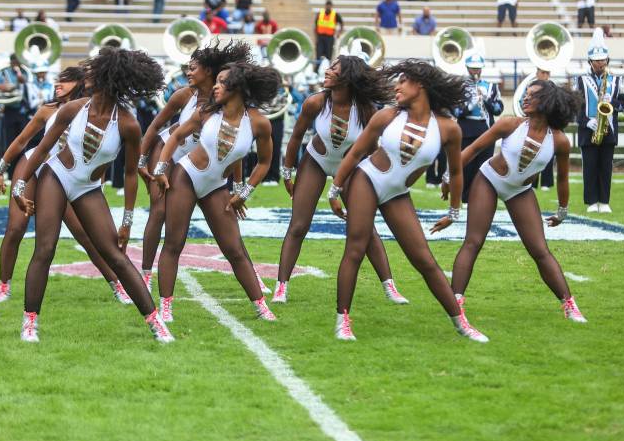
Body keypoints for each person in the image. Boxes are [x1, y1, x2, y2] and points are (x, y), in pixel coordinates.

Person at [11, 48, 173, 343]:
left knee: (116, 256)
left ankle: (156, 323)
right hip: (56, 176)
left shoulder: (127, 123)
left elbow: (127, 175)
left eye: (94, 72)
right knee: (45, 249)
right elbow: (43, 148)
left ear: (108, 79)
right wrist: (20, 186)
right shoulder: (73, 109)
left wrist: (126, 221)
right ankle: (30, 322)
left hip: (88, 187)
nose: (87, 76)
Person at [327, 59, 488, 343]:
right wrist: (335, 189)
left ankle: (461, 323)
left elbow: (456, 172)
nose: (397, 87)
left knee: (424, 260)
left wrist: (454, 210)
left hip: (397, 193)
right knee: (355, 248)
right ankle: (343, 321)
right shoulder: (387, 116)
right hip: (366, 180)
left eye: (403, 81)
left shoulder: (449, 128)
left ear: (421, 85)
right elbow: (355, 155)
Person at [446, 80, 587, 324]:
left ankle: (569, 304)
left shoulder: (560, 140)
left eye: (532, 96)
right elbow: (475, 148)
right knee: (473, 241)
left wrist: (562, 212)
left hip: (520, 190)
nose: (525, 98)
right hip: (489, 180)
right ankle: (455, 302)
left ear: (546, 102)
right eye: (526, 94)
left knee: (540, 250)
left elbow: (562, 179)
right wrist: (449, 176)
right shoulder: (510, 124)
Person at [152, 62, 281, 323]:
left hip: (215, 187)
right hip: (186, 177)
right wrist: (161, 168)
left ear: (237, 88)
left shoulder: (258, 123)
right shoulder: (207, 112)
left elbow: (265, 163)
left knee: (234, 249)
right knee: (174, 243)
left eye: (222, 82)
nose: (215, 86)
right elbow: (176, 137)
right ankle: (165, 306)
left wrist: (243, 192)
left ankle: (261, 306)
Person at [275, 55, 408, 305]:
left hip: (349, 168)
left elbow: (371, 149)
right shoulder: (315, 102)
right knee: (298, 225)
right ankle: (281, 286)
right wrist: (287, 172)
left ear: (346, 77)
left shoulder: (367, 109)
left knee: (365, 228)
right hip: (316, 161)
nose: (326, 71)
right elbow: (295, 138)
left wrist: (367, 184)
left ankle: (390, 286)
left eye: (333, 69)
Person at [0, 66, 128, 305]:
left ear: (80, 83)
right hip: (35, 167)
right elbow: (23, 140)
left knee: (85, 234)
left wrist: (98, 187)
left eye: (64, 81)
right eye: (57, 80)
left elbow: (98, 155)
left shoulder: (90, 111)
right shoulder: (48, 110)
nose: (57, 85)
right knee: (15, 228)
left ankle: (117, 285)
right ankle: (4, 285)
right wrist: (1, 168)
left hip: (64, 176)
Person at [138, 41, 253, 298]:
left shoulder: (226, 101)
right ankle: (145, 274)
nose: (188, 72)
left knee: (228, 222)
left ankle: (251, 277)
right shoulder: (183, 96)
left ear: (209, 72)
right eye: (187, 68)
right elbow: (156, 126)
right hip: (169, 154)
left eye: (193, 68)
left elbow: (234, 150)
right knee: (159, 212)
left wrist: (236, 187)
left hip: (199, 166)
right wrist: (142, 161)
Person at [574, 28, 624, 213]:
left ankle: (604, 202)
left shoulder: (616, 80)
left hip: (609, 129)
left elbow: (622, 104)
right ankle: (591, 202)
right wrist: (586, 121)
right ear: (590, 61)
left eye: (603, 60)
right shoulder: (580, 80)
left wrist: (610, 101)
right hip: (588, 129)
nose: (600, 63)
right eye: (597, 60)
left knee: (605, 167)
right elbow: (575, 106)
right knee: (589, 167)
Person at [457, 54, 503, 203]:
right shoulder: (459, 87)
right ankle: (464, 197)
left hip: (486, 129)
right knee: (466, 165)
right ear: (467, 68)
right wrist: (471, 104)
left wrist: (486, 100)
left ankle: (481, 197)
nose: (475, 72)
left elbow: (498, 109)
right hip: (466, 129)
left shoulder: (491, 87)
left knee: (484, 165)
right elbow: (455, 111)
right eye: (472, 69)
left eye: (478, 69)